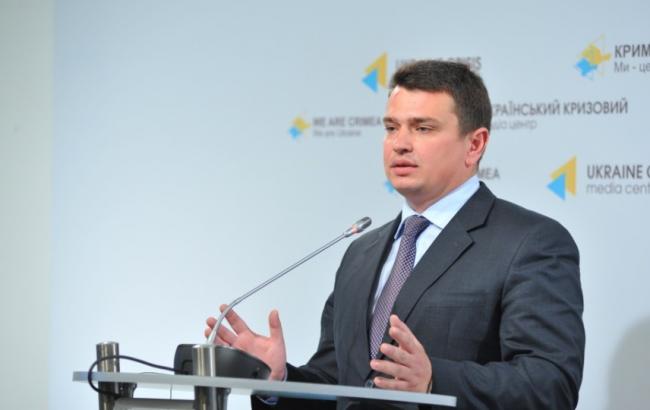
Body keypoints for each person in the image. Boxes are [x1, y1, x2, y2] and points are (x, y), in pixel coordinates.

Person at [205, 60, 585, 409]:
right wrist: (279, 381)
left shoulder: (530, 243)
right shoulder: (361, 252)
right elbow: (340, 386)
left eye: (422, 128)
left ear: (475, 144)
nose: (400, 143)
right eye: (391, 128)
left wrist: (434, 381)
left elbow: (551, 385)